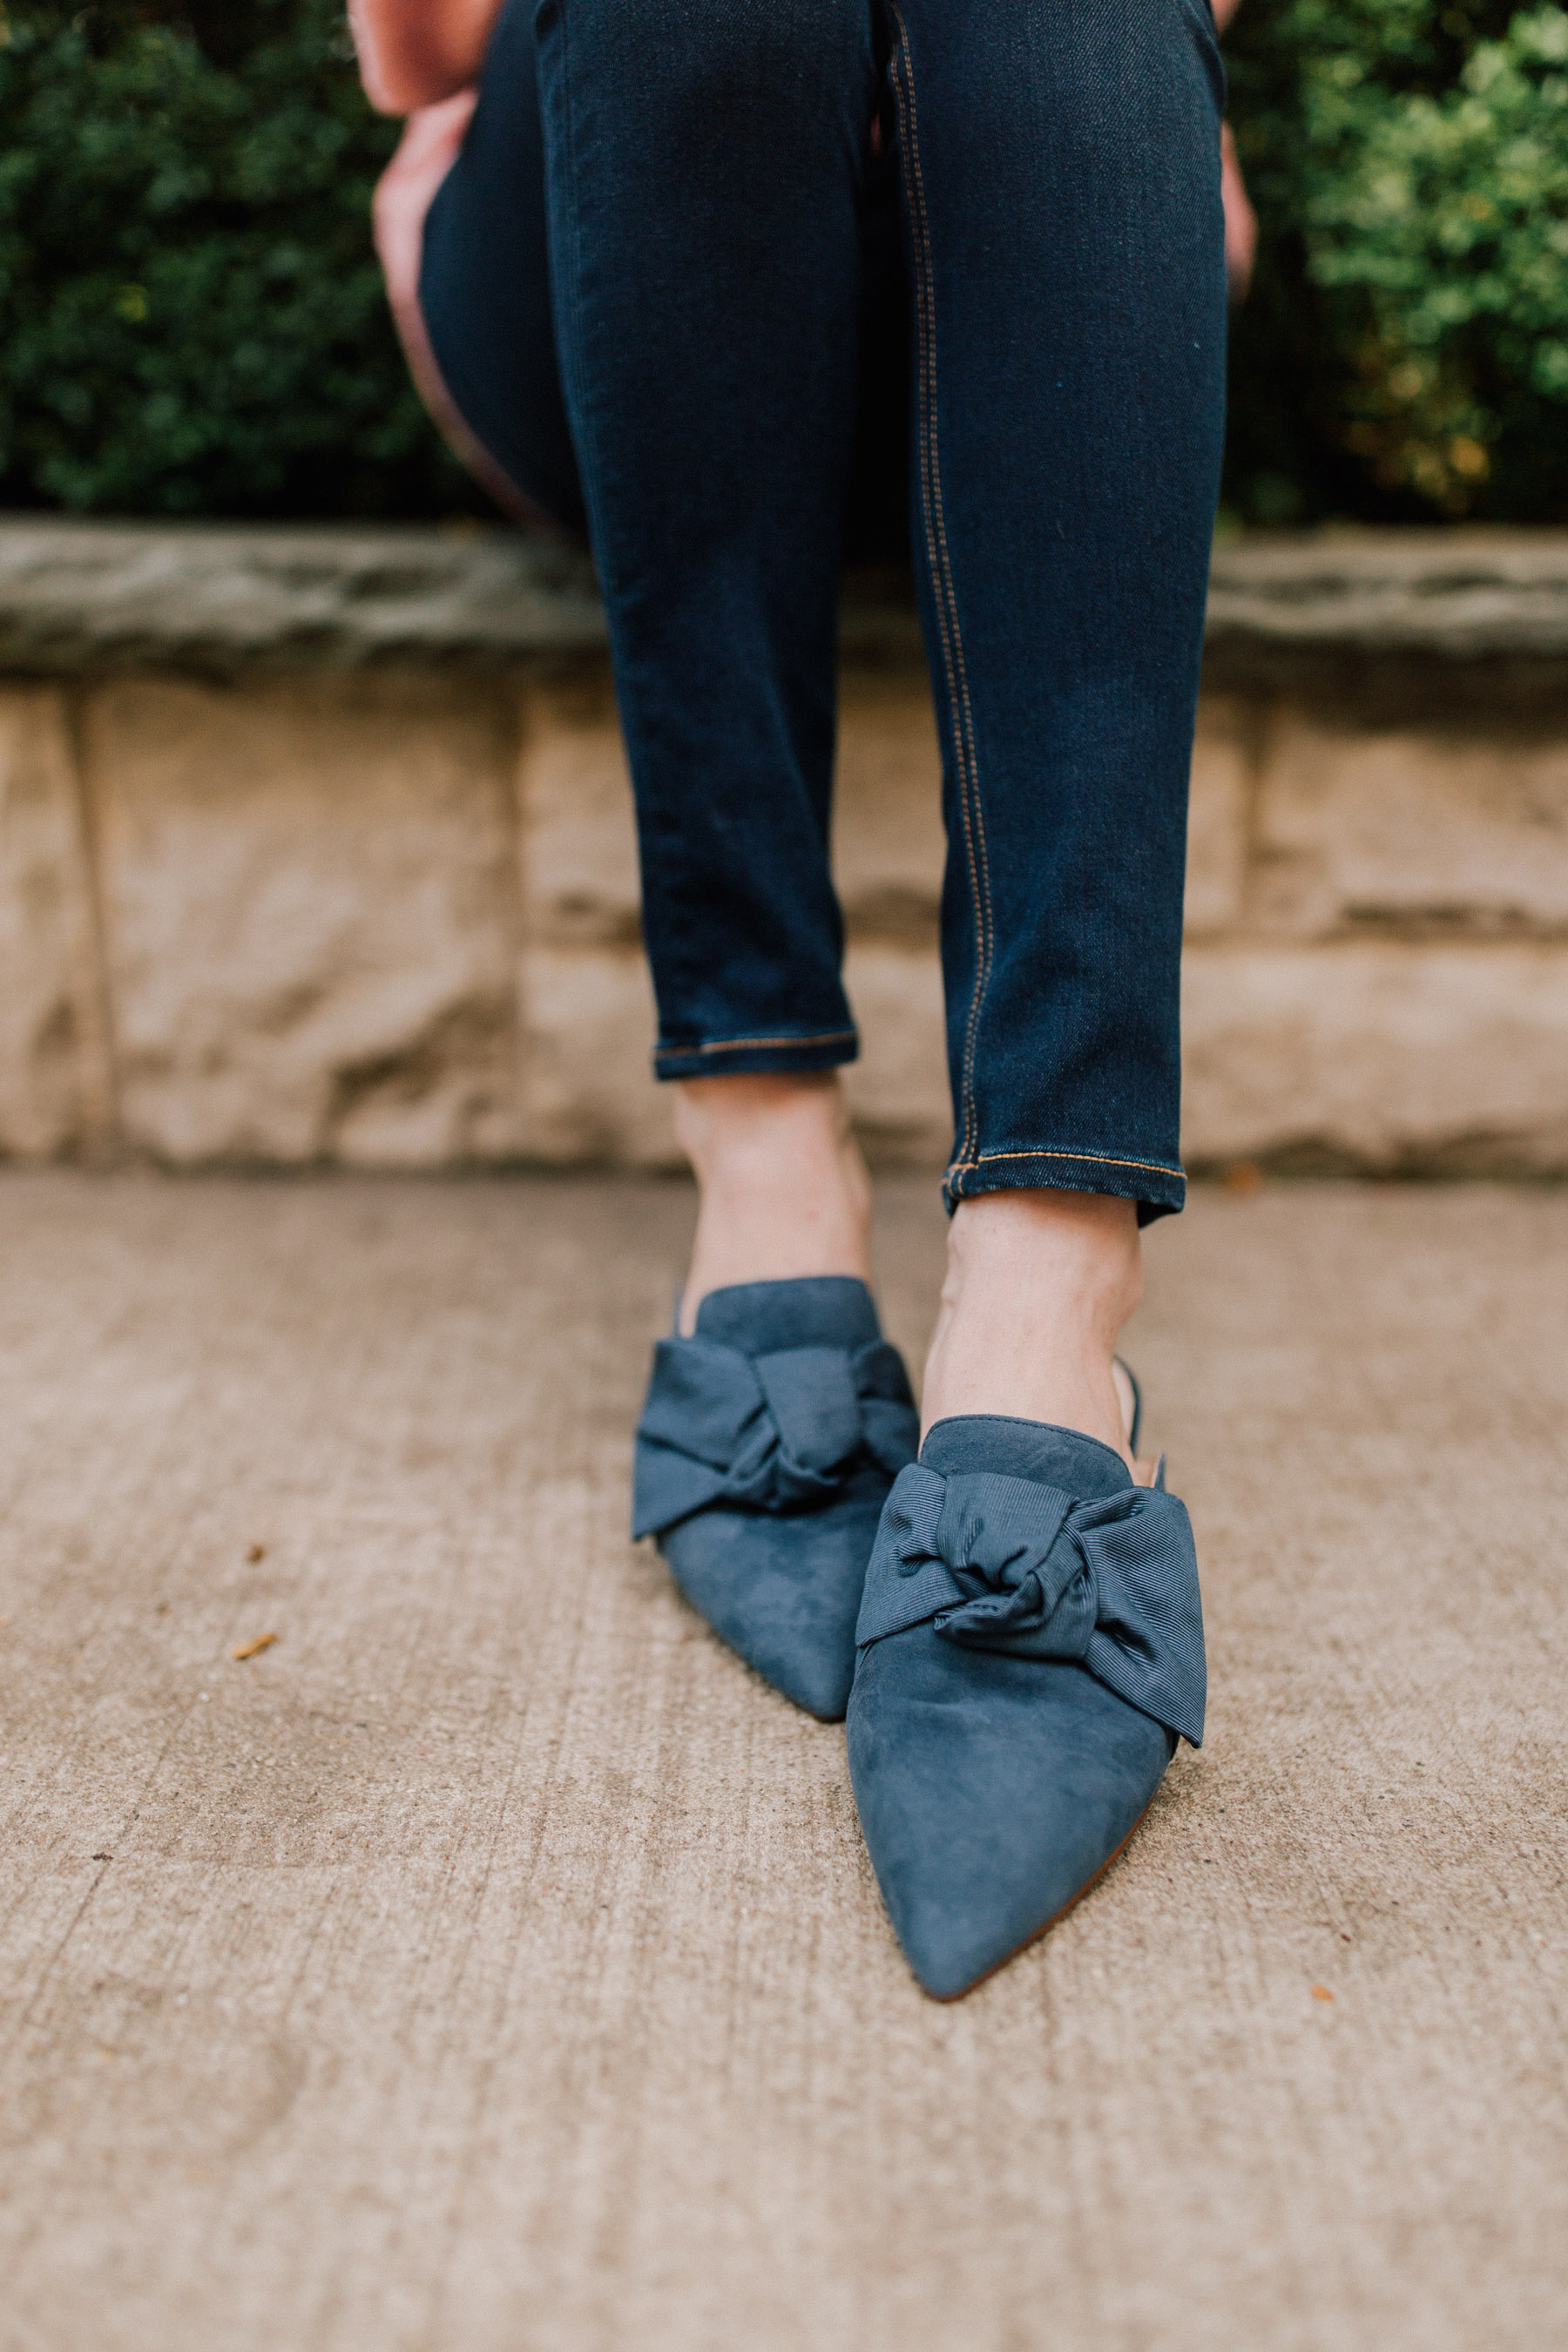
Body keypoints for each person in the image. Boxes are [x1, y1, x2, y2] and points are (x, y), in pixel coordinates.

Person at [352, 0, 1244, 1999]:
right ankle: (760, 1151)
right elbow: (427, 44)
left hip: (1048, 234)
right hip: (618, 224)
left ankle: (1049, 1270)